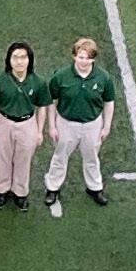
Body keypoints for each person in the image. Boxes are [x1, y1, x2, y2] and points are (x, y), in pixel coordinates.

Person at [44, 38, 116, 208]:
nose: (84, 61)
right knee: (60, 157)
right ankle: (53, 188)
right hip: (66, 123)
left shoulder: (103, 77)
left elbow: (109, 102)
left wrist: (106, 126)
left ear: (94, 59)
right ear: (74, 56)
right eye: (81, 57)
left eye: (88, 58)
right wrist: (52, 126)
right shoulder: (61, 76)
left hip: (92, 124)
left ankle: (95, 187)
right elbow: (51, 101)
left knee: (92, 158)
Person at [0, 41, 51, 211]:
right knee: (3, 157)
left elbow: (42, 107)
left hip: (27, 123)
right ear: (9, 60)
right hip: (4, 121)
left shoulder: (38, 82)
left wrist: (39, 131)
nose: (19, 61)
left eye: (23, 57)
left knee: (24, 159)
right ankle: (1, 190)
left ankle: (20, 192)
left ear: (29, 60)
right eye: (15, 57)